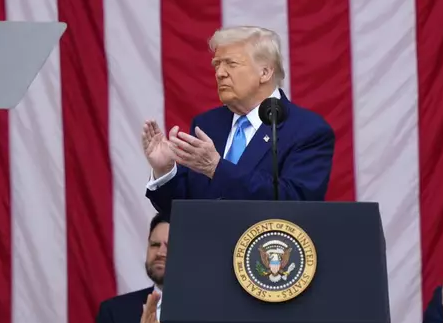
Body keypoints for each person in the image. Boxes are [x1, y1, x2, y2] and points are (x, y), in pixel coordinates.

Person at [142, 25, 335, 215]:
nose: (220, 73)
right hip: (206, 246)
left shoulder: (307, 129)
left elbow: (297, 202)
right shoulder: (207, 125)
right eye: (217, 65)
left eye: (231, 64)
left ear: (265, 72)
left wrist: (217, 169)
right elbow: (181, 210)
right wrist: (165, 171)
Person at [90, 214, 170, 323]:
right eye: (155, 245)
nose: (160, 253)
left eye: (170, 245)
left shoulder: (211, 311)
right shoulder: (114, 311)